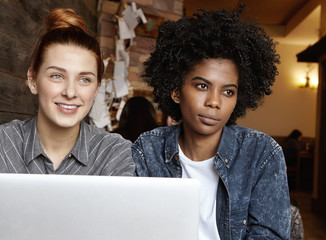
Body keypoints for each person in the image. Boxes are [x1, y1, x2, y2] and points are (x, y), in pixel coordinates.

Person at [132, 5, 291, 240]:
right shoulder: (148, 149)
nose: (214, 102)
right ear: (176, 91)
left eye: (228, 92)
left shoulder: (261, 153)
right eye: (202, 86)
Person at [0, 8, 134, 176]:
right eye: (57, 76)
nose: (70, 92)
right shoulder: (3, 145)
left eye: (85, 79)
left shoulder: (114, 154)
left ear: (96, 88)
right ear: (33, 80)